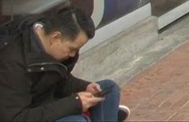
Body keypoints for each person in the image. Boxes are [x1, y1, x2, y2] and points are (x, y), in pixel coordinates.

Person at [0, 7, 130, 122]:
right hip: (30, 114)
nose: (73, 55)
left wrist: (85, 87)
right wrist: (74, 103)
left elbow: (58, 79)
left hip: (48, 103)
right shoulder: (12, 64)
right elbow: (15, 118)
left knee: (109, 88)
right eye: (71, 49)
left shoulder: (47, 41)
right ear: (55, 37)